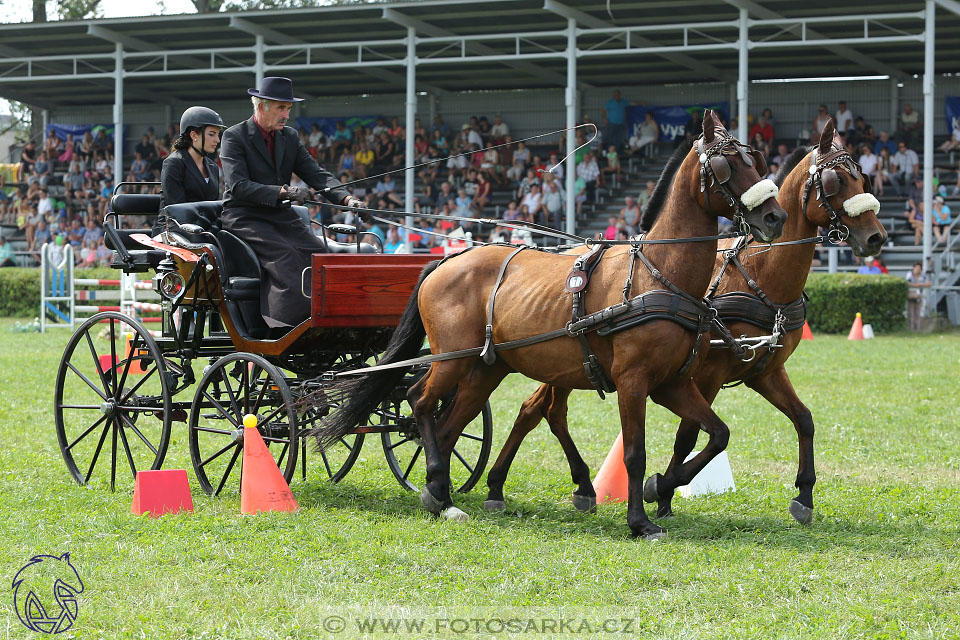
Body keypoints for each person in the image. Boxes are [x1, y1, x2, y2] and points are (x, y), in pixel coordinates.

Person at [219, 77, 364, 329]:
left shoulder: (289, 137)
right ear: (261, 106)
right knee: (285, 257)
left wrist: (346, 198)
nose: (286, 115)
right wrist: (283, 192)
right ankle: (283, 325)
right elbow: (238, 186)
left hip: (279, 215)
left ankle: (327, 317)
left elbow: (316, 173)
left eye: (288, 109)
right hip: (245, 216)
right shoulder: (234, 136)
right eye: (281, 108)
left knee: (319, 254)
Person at [156, 107, 225, 234]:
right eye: (211, 134)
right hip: (174, 232)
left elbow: (215, 207)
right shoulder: (173, 163)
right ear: (194, 135)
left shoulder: (213, 167)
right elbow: (178, 209)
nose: (217, 140)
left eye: (217, 134)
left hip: (205, 230)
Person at [905, 261, 931, 331]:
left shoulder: (923, 276)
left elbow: (929, 283)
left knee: (917, 314)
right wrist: (916, 285)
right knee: (911, 314)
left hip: (919, 296)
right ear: (914, 268)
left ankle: (917, 329)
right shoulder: (910, 274)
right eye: (916, 268)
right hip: (910, 296)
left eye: (919, 268)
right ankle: (911, 329)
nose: (918, 269)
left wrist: (921, 285)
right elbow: (907, 283)